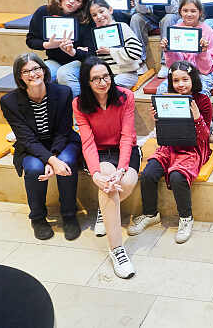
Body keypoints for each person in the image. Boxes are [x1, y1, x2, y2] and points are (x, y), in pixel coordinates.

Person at [128, 61, 213, 243]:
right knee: (148, 173)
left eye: (185, 79)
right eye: (176, 80)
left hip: (194, 148)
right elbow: (164, 130)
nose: (180, 84)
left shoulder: (202, 100)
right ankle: (151, 214)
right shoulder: (166, 99)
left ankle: (186, 217)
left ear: (193, 79)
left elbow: (205, 137)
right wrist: (157, 119)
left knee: (177, 176)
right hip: (170, 145)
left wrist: (197, 117)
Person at [1, 53, 81, 241]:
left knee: (67, 161)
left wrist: (52, 157)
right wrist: (50, 160)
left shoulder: (63, 92)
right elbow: (26, 139)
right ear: (19, 76)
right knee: (35, 167)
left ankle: (69, 215)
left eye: (36, 68)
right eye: (26, 71)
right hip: (31, 146)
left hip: (62, 142)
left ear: (44, 71)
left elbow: (63, 131)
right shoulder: (9, 101)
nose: (32, 74)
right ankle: (37, 217)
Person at [73, 57, 140, 279]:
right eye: (96, 79)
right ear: (87, 82)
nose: (103, 82)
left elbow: (127, 135)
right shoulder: (79, 104)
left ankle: (104, 210)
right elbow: (88, 142)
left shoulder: (125, 96)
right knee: (108, 183)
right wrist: (95, 174)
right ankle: (117, 250)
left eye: (106, 76)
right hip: (99, 153)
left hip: (125, 150)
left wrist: (122, 168)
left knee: (126, 181)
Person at [26, 0, 95, 98]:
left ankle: (77, 111)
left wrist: (73, 52)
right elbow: (31, 40)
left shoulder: (86, 19)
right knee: (38, 74)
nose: (71, 1)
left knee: (64, 73)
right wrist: (47, 45)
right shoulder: (44, 11)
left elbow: (91, 54)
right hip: (54, 60)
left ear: (82, 4)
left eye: (77, 0)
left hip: (78, 62)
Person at [130, 0, 181, 78]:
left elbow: (174, 10)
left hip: (168, 15)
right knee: (136, 18)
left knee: (167, 19)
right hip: (150, 16)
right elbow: (141, 10)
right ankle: (140, 62)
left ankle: (165, 63)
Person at [158, 0, 213, 96]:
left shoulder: (207, 30)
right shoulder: (175, 30)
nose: (189, 14)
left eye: (193, 11)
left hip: (203, 73)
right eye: (185, 10)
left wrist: (203, 52)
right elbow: (173, 66)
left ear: (200, 12)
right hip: (180, 72)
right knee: (162, 90)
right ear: (180, 12)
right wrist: (168, 51)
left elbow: (207, 69)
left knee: (199, 93)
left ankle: (198, 112)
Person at [88, 0, 143, 89]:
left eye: (101, 12)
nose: (99, 16)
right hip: (104, 76)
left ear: (110, 10)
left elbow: (136, 51)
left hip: (126, 74)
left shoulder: (122, 27)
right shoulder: (95, 33)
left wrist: (110, 51)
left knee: (109, 86)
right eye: (94, 15)